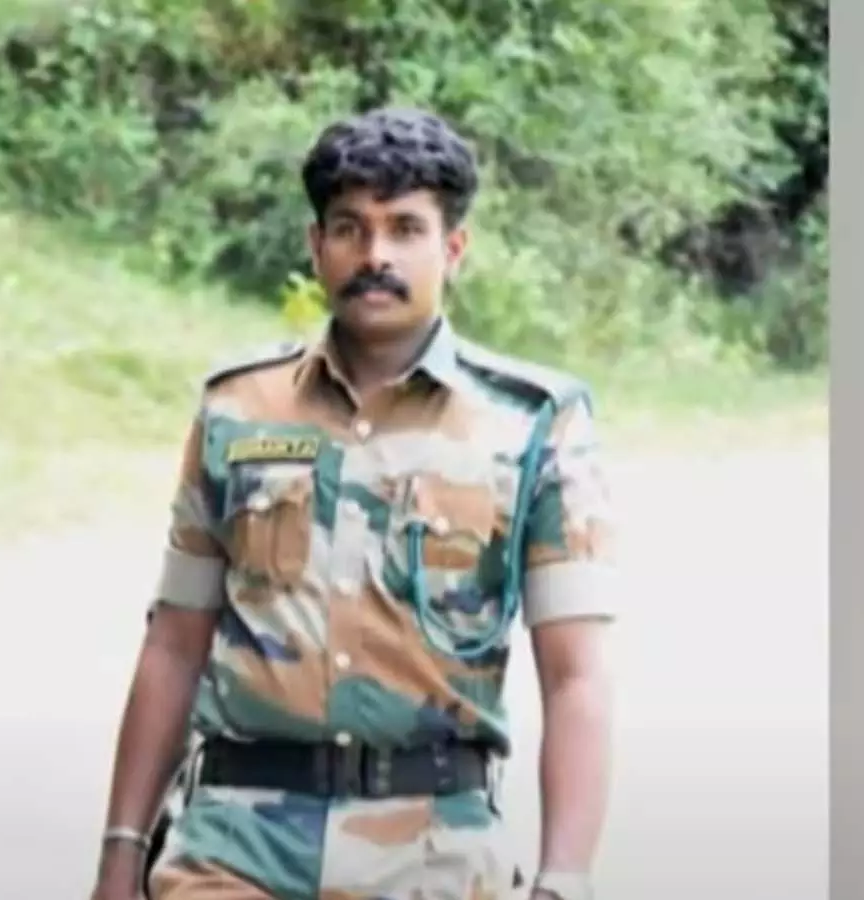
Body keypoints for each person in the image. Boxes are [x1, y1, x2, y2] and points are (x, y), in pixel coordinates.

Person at [90, 107, 618, 900]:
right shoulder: (238, 409)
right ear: (316, 246)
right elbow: (174, 643)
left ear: (453, 249)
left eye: (405, 228)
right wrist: (121, 851)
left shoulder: (534, 426)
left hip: (433, 861)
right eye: (350, 228)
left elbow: (576, 675)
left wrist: (564, 880)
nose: (375, 256)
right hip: (234, 850)